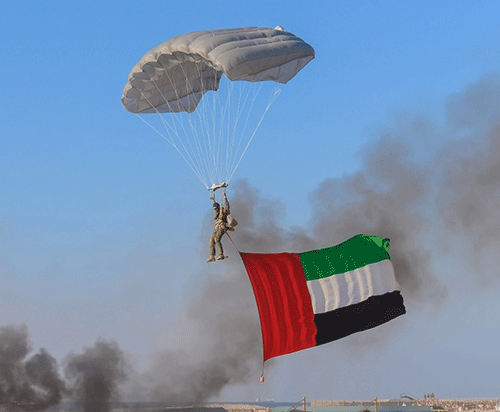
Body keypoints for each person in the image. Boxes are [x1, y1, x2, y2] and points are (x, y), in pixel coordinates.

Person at [207, 192, 230, 262]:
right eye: (214, 209)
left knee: (217, 239)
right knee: (211, 240)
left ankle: (221, 254)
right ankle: (212, 256)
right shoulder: (216, 213)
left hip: (222, 227)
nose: (215, 210)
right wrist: (213, 201)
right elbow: (216, 205)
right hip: (217, 228)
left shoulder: (222, 210)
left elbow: (227, 206)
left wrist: (225, 198)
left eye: (216, 208)